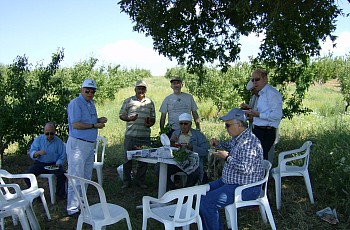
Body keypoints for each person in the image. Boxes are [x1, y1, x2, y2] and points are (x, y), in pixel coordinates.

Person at [199, 108, 264, 230]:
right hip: (230, 181)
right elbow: (230, 146)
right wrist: (218, 144)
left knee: (207, 202)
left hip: (245, 187)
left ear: (239, 124)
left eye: (228, 125)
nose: (226, 128)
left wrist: (227, 157)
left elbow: (246, 169)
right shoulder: (239, 137)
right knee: (200, 193)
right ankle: (204, 224)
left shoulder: (249, 142)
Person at [66, 79, 108, 216]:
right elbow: (76, 124)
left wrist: (98, 120)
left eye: (92, 91)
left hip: (89, 144)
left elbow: (88, 121)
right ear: (81, 90)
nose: (90, 93)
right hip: (78, 144)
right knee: (75, 176)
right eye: (87, 91)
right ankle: (72, 209)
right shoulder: (75, 103)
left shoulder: (91, 104)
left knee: (85, 176)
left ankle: (81, 205)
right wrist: (94, 125)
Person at [119, 80, 156, 189]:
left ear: (145, 90)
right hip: (131, 135)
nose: (141, 90)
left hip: (144, 136)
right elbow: (121, 115)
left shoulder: (150, 102)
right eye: (139, 88)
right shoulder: (128, 101)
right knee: (127, 160)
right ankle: (126, 181)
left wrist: (149, 123)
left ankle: (140, 181)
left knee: (144, 160)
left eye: (143, 88)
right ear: (135, 90)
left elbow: (153, 119)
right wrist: (129, 118)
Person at [241, 69, 283, 160]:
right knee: (255, 158)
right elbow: (260, 113)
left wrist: (258, 115)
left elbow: (277, 115)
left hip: (266, 132)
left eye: (257, 79)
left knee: (260, 159)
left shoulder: (272, 94)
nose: (254, 82)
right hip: (257, 130)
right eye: (253, 80)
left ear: (265, 79)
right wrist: (251, 112)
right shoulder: (261, 94)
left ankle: (263, 174)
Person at [25, 122, 66, 199]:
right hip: (40, 163)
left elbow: (62, 156)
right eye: (47, 133)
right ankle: (36, 195)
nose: (49, 136)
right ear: (44, 132)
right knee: (28, 176)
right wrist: (38, 153)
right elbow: (32, 153)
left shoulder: (59, 142)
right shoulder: (38, 140)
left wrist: (58, 164)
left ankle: (60, 195)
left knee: (62, 174)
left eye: (51, 133)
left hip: (53, 164)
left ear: (55, 132)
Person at [167, 113, 208, 189]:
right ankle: (173, 190)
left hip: (193, 164)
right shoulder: (175, 133)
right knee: (160, 170)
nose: (183, 126)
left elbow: (205, 151)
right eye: (181, 124)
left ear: (190, 124)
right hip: (177, 162)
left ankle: (185, 194)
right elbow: (168, 150)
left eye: (185, 124)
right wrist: (171, 142)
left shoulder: (198, 135)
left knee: (195, 174)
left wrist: (193, 148)